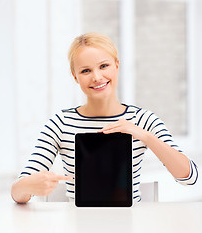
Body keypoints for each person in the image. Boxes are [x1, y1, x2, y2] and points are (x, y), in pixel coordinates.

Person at [11, 32, 198, 204]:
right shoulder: (60, 123)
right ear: (75, 77)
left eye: (104, 66)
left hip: (131, 224)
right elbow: (17, 192)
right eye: (85, 71)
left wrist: (145, 136)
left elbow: (190, 177)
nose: (97, 77)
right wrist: (28, 185)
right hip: (78, 225)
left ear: (116, 66)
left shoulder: (143, 119)